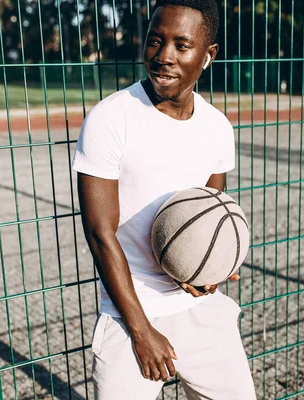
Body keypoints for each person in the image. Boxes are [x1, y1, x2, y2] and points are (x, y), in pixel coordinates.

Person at [72, 0, 256, 398]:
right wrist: (141, 331)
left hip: (200, 313)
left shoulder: (217, 128)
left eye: (181, 45)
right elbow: (100, 234)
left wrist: (209, 269)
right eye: (155, 41)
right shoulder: (111, 118)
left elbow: (209, 211)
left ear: (208, 56)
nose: (163, 57)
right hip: (130, 314)